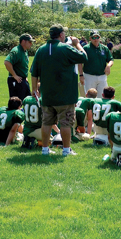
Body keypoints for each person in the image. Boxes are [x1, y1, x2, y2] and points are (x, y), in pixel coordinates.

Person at [31, 24, 88, 156]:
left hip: (47, 94)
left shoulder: (41, 50)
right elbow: (84, 57)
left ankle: (45, 150)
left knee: (46, 122)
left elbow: (34, 72)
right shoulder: (66, 48)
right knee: (66, 123)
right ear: (61, 35)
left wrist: (34, 89)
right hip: (65, 95)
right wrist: (77, 44)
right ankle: (66, 150)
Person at [78, 30, 114, 98]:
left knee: (102, 97)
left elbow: (111, 59)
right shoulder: (86, 48)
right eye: (93, 37)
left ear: (99, 37)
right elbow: (80, 62)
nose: (96, 39)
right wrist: (81, 75)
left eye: (97, 37)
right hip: (89, 76)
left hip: (102, 76)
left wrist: (108, 65)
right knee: (90, 98)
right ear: (90, 38)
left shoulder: (104, 48)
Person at [4, 33, 35, 101]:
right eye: (29, 42)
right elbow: (7, 62)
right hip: (16, 81)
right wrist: (14, 75)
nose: (31, 44)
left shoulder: (24, 51)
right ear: (23, 41)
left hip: (22, 80)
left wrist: (25, 77)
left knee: (27, 100)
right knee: (17, 103)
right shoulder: (16, 51)